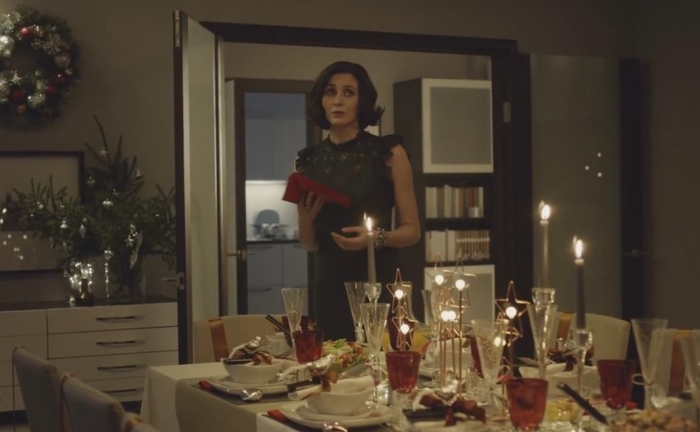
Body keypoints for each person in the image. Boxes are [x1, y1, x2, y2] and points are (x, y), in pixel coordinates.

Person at [293, 61, 420, 341]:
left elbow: (412, 231)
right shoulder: (308, 161)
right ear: (321, 100)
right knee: (334, 360)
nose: (338, 101)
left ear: (361, 101)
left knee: (384, 357)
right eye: (330, 92)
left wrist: (374, 238)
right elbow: (310, 244)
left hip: (379, 280)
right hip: (329, 284)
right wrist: (304, 218)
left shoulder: (389, 153)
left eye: (348, 92)